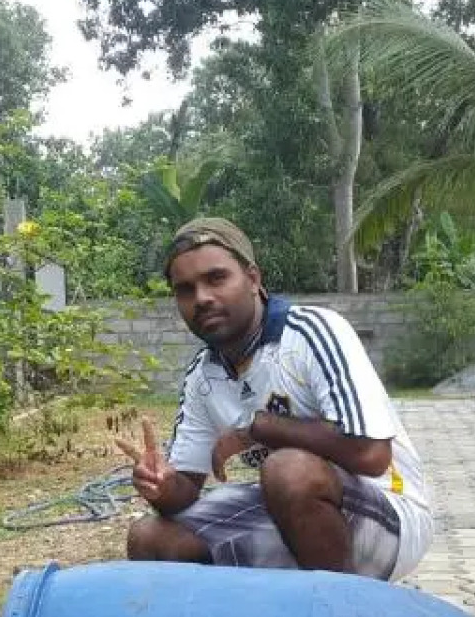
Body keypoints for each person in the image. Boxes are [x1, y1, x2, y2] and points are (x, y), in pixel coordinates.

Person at [116, 217, 436, 582]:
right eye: (185, 289)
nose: (202, 298)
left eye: (216, 278)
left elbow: (371, 454)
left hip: (390, 515)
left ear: (253, 279)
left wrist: (262, 427)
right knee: (150, 537)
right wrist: (160, 486)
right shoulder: (203, 376)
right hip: (292, 518)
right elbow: (186, 491)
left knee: (288, 470)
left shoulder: (310, 333)